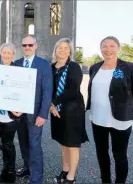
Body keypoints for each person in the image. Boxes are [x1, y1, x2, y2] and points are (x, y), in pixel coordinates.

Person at [86, 36, 133, 183]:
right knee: (101, 153)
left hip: (121, 120)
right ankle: (105, 180)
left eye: (112, 46)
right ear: (100, 49)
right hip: (98, 118)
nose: (108, 49)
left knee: (119, 154)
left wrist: (129, 110)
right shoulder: (95, 68)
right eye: (104, 46)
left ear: (118, 48)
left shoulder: (130, 68)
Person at [50, 38, 89, 184]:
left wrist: (53, 103)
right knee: (64, 142)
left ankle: (71, 177)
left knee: (72, 144)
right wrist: (51, 105)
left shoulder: (74, 67)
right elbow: (49, 88)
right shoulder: (52, 67)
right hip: (56, 111)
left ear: (70, 51)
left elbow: (72, 90)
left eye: (66, 48)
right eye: (60, 47)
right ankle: (65, 170)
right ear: (55, 50)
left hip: (73, 111)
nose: (62, 50)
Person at [15, 35, 53, 183]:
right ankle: (27, 168)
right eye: (24, 45)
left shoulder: (43, 64)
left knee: (34, 145)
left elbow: (47, 90)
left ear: (36, 46)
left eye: (30, 45)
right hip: (19, 113)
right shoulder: (17, 63)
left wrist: (43, 114)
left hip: (36, 114)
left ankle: (36, 178)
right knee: (23, 143)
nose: (27, 48)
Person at [0, 43, 23, 183]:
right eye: (4, 52)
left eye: (9, 53)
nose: (6, 55)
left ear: (13, 55)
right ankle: (6, 168)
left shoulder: (18, 71)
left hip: (10, 117)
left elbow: (22, 93)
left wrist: (20, 108)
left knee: (8, 145)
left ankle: (10, 173)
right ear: (0, 54)